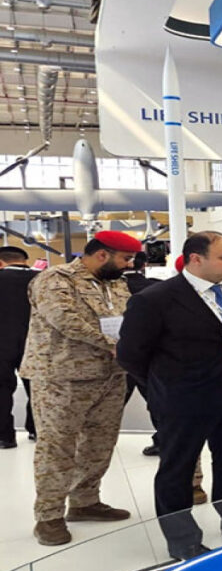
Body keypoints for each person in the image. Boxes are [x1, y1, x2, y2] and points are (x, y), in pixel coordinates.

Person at [118, 231, 222, 560]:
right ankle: (182, 539)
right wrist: (166, 385)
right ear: (195, 259)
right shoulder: (155, 299)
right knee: (178, 468)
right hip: (183, 398)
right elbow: (130, 355)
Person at [24, 232, 142, 546]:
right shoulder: (55, 279)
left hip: (110, 374)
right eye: (125, 258)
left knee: (100, 443)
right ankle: (48, 517)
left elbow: (128, 318)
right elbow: (65, 320)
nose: (129, 265)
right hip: (62, 377)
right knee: (57, 447)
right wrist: (113, 344)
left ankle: (85, 501)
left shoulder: (116, 283)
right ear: (103, 254)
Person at [122, 251, 161, 457]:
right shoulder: (157, 286)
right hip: (152, 355)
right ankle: (163, 440)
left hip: (115, 353)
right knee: (158, 402)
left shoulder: (106, 288)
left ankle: (95, 443)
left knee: (110, 404)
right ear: (144, 265)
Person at [0, 246, 37, 448]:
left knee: (1, 390)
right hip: (36, 344)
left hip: (2, 345)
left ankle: (4, 436)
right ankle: (37, 430)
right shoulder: (42, 279)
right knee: (38, 389)